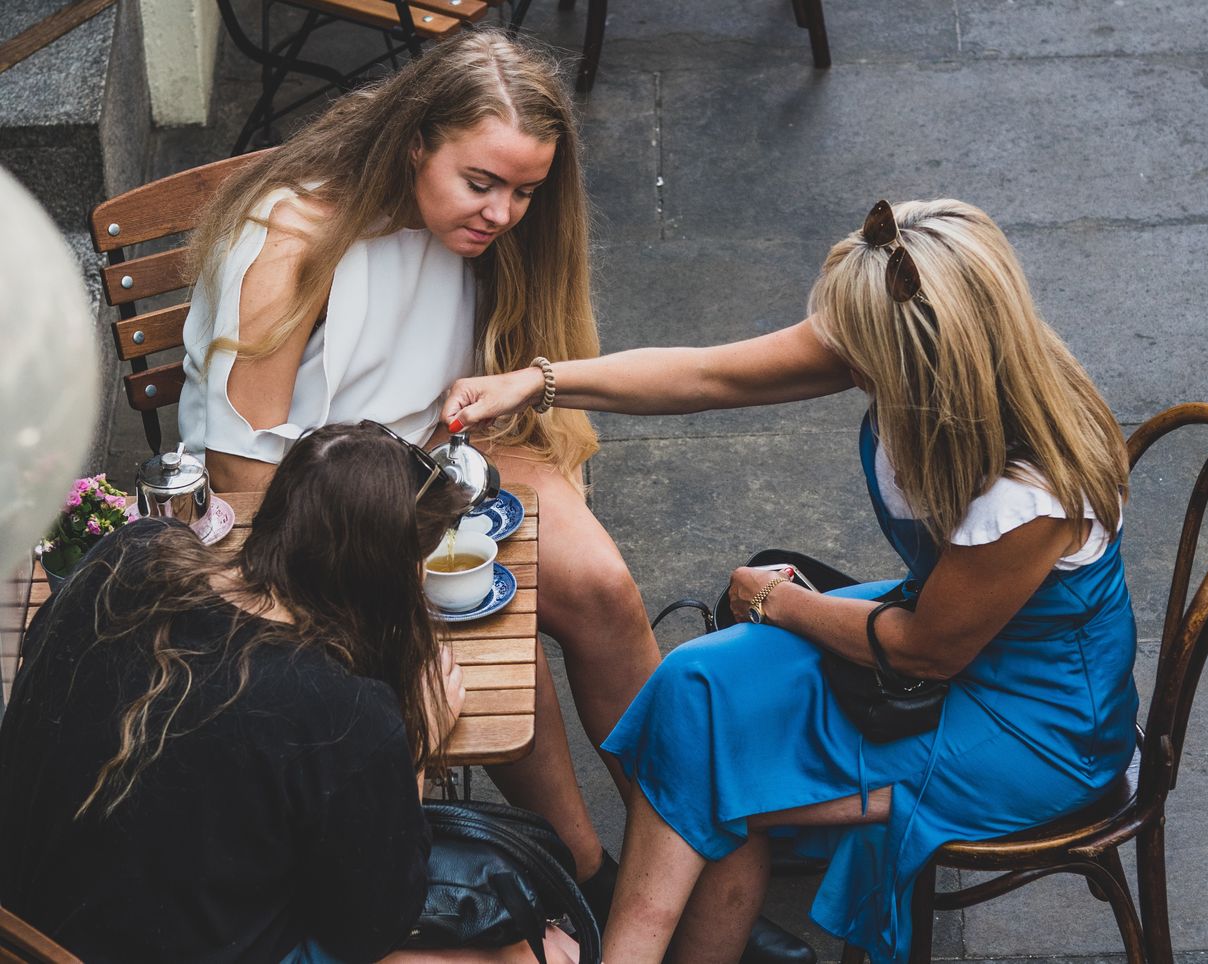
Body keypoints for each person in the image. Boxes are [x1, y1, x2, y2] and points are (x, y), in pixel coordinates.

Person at [176, 28, 808, 964]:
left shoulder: (471, 218)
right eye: (483, 183)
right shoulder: (291, 244)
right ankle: (590, 875)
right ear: (415, 142)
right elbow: (245, 485)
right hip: (322, 514)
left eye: (525, 190)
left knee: (599, 589)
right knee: (488, 642)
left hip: (443, 449)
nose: (505, 213)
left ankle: (684, 860)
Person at [439, 198, 1141, 963]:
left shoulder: (1026, 494)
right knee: (695, 684)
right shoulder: (908, 341)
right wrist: (535, 384)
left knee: (722, 776)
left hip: (1033, 723)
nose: (839, 355)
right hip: (947, 627)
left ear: (918, 364)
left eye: (858, 351)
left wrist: (772, 599)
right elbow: (708, 374)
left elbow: (921, 653)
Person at [0, 423, 582, 964]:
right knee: (545, 949)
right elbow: (370, 926)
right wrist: (414, 745)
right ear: (387, 576)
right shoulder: (342, 710)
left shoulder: (129, 552)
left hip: (27, 932)